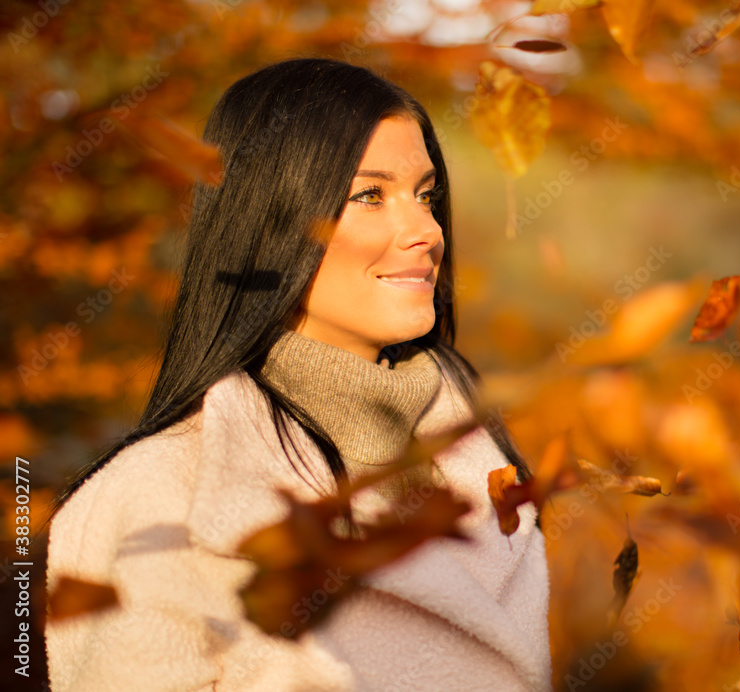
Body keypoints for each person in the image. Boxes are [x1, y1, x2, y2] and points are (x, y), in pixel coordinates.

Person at [44, 58, 552, 692]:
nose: (426, 231)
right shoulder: (157, 498)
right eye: (370, 196)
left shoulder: (486, 469)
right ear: (269, 224)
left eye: (426, 196)